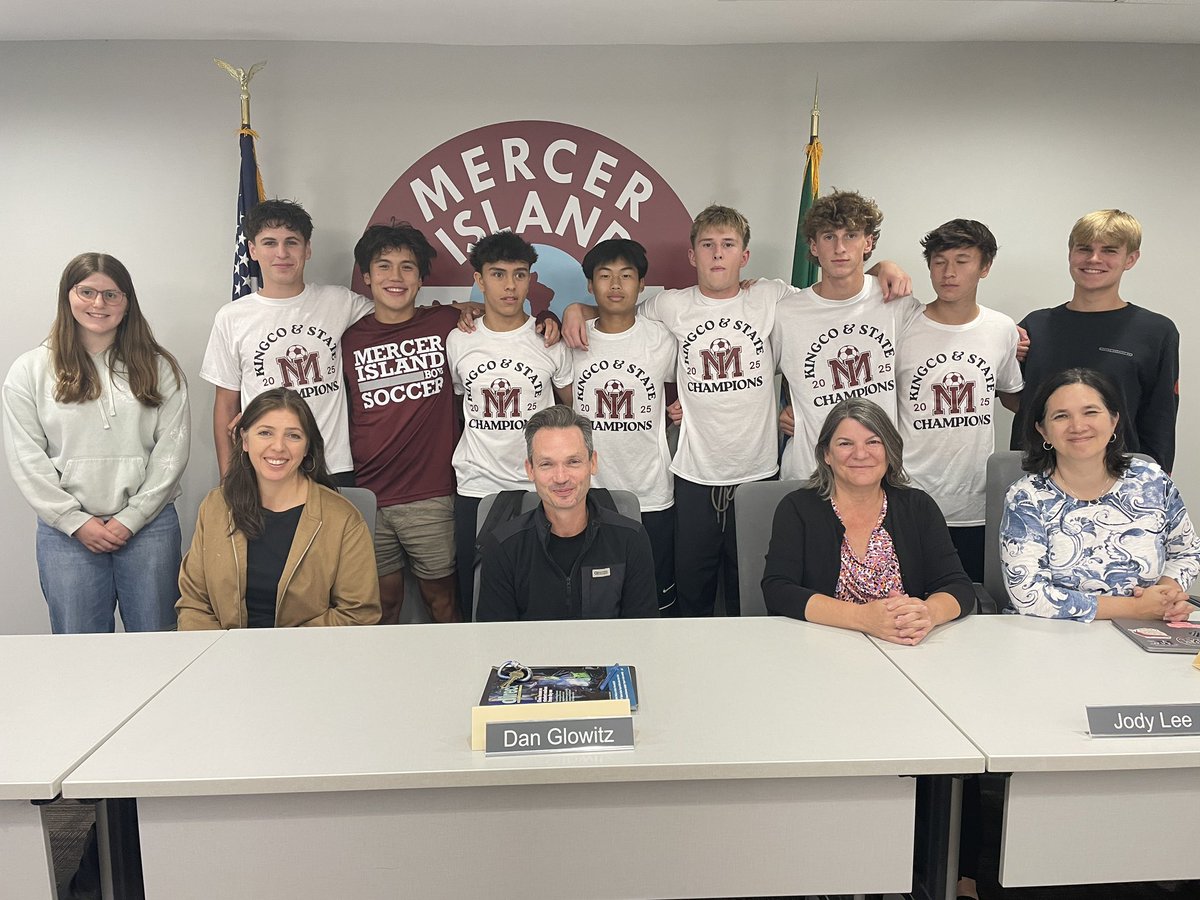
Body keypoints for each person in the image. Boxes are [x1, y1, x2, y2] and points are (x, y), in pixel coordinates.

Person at [564, 204, 911, 618]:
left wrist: (885, 267)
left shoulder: (772, 296)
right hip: (694, 475)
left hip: (759, 472)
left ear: (744, 257)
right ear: (692, 256)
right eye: (707, 245)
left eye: (728, 245)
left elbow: (838, 290)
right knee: (693, 594)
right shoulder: (671, 307)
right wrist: (573, 310)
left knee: (753, 591)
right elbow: (616, 313)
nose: (717, 254)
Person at [3, 252, 189, 634]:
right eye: (86, 292)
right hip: (67, 534)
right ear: (67, 296)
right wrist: (75, 521)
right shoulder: (30, 370)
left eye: (111, 295)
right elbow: (26, 458)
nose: (97, 304)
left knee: (158, 643)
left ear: (127, 302)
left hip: (149, 528)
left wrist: (132, 518)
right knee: (80, 650)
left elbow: (172, 452)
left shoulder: (159, 367)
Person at [762, 398, 974, 644]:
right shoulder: (797, 508)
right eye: (845, 444)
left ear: (890, 451)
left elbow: (958, 586)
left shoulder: (918, 507)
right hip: (822, 646)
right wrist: (863, 618)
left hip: (905, 647)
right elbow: (778, 590)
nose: (861, 454)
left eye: (873, 442)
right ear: (826, 455)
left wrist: (927, 613)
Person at [1001, 368, 1200, 622]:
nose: (1078, 426)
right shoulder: (1026, 497)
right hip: (1051, 638)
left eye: (1091, 412)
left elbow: (1187, 552)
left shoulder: (1151, 481)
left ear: (1114, 420)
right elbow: (1028, 594)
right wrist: (1136, 609)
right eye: (1061, 416)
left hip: (1144, 631)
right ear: (1043, 431)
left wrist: (1164, 596)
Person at [341, 222, 464, 624]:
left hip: (431, 494)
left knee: (442, 602)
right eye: (384, 266)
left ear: (421, 278)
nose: (395, 277)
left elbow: (507, 320)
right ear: (366, 276)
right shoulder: (347, 339)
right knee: (381, 607)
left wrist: (553, 313)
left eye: (407, 267)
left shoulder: (448, 324)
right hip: (367, 496)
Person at [176, 388, 380, 629]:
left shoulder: (343, 519)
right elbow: (194, 604)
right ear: (245, 440)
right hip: (226, 657)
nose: (278, 447)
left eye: (293, 436)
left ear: (306, 448)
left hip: (307, 658)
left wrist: (282, 651)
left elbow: (358, 613)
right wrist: (223, 655)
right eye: (265, 433)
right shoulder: (215, 507)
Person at [200, 199, 372, 482]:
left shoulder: (339, 302)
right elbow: (225, 407)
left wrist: (459, 309)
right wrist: (228, 479)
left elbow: (400, 316)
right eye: (269, 243)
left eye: (292, 242)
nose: (281, 253)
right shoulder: (232, 317)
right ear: (252, 250)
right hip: (267, 464)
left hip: (332, 464)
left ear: (308, 249)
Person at [447, 231, 573, 619]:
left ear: (530, 279)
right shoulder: (458, 340)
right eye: (498, 274)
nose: (509, 285)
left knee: (543, 596)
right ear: (480, 280)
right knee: (477, 596)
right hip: (477, 484)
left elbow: (570, 413)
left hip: (537, 486)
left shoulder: (549, 340)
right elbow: (458, 398)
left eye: (519, 274)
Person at [897, 219, 1023, 582]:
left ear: (985, 267)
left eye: (962, 261)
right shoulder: (903, 323)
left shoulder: (1001, 328)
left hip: (975, 501)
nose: (949, 273)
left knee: (969, 605)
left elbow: (1013, 396)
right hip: (910, 493)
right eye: (939, 262)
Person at [1009, 209, 1179, 471]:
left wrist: (1156, 485)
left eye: (1110, 250)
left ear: (1131, 258)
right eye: (1084, 249)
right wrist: (1002, 350)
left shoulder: (1156, 332)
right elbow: (1014, 400)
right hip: (1037, 479)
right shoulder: (1035, 326)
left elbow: (1160, 420)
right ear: (1070, 253)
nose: (1094, 259)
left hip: (1119, 481)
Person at [774, 189, 923, 482]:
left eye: (851, 235)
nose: (840, 247)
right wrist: (779, 414)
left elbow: (942, 332)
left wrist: (1011, 336)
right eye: (829, 237)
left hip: (879, 472)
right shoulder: (785, 312)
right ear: (814, 246)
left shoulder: (896, 302)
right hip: (809, 473)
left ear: (868, 242)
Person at [572, 238, 678, 614]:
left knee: (654, 601)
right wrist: (570, 312)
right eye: (605, 276)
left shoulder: (663, 339)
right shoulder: (573, 340)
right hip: (589, 495)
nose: (615, 286)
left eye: (626, 276)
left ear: (642, 284)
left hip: (651, 493)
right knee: (595, 600)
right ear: (590, 285)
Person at [476, 405, 658, 621]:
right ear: (530, 470)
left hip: (609, 655)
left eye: (573, 462)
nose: (561, 477)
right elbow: (497, 642)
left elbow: (641, 636)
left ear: (592, 463)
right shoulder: (503, 547)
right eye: (547, 464)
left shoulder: (631, 539)